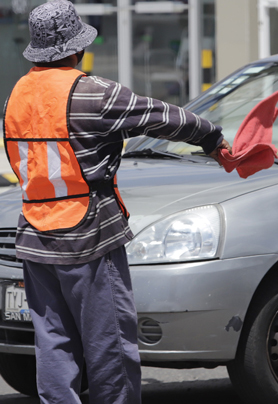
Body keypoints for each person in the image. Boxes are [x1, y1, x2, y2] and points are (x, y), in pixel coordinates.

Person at [2, 1, 230, 403]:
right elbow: (160, 115)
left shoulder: (15, 98)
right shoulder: (92, 94)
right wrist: (213, 138)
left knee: (53, 346)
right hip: (89, 235)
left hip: (35, 236)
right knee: (110, 348)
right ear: (77, 49)